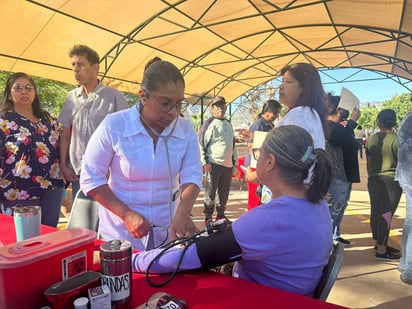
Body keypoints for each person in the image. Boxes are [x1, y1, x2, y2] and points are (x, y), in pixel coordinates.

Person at [132, 125, 333, 297]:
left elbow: (189, 257)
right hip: (296, 298)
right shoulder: (316, 202)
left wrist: (132, 260)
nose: (256, 159)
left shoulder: (269, 219)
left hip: (264, 298)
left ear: (270, 162)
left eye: (258, 154)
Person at [80, 57, 203, 250]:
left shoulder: (185, 129)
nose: (173, 112)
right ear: (143, 96)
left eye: (179, 104)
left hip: (166, 228)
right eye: (165, 103)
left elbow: (192, 175)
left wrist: (183, 212)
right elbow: (91, 178)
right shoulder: (114, 125)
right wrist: (126, 214)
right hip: (120, 231)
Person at [58, 44, 129, 201]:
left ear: (95, 67)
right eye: (73, 65)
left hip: (106, 174)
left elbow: (125, 136)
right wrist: (64, 166)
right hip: (78, 172)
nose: (76, 69)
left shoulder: (114, 97)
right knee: (84, 218)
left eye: (81, 64)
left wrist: (114, 166)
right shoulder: (71, 98)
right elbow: (65, 135)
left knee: (105, 219)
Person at [0, 72, 65, 227]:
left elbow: (61, 145)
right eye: (18, 88)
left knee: (49, 238)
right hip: (19, 191)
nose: (24, 91)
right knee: (24, 243)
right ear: (9, 94)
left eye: (28, 87)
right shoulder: (3, 120)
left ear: (34, 93)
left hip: (52, 187)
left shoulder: (47, 119)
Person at [366, 109, 402, 260]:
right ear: (393, 122)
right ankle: (381, 249)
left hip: (374, 179)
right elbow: (402, 162)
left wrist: (372, 176)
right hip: (391, 181)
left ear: (378, 122)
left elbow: (368, 163)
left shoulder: (371, 139)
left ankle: (378, 243)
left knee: (376, 212)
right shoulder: (398, 139)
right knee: (386, 215)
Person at [325, 94, 361, 246]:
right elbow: (336, 139)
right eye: (342, 110)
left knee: (340, 206)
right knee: (334, 208)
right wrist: (352, 121)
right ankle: (326, 240)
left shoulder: (340, 127)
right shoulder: (327, 126)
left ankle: (334, 234)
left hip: (344, 174)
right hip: (336, 174)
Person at [199, 96, 238, 225]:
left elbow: (233, 146)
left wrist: (235, 163)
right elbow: (201, 144)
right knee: (210, 192)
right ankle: (208, 218)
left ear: (225, 107)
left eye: (222, 106)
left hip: (227, 165)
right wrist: (205, 162)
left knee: (224, 192)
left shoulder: (228, 124)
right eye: (217, 106)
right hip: (214, 164)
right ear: (212, 109)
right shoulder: (209, 124)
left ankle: (220, 216)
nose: (220, 108)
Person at [276, 62, 328, 150]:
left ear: (305, 88)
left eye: (288, 81)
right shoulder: (308, 113)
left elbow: (290, 156)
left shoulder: (299, 114)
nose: (280, 86)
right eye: (282, 81)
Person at [244, 99, 281, 210]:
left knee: (264, 197)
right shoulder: (258, 125)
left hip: (265, 165)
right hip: (256, 166)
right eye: (276, 113)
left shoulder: (271, 125)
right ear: (268, 112)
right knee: (255, 198)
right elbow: (251, 148)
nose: (277, 115)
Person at [396, 111, 412, 284]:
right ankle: (410, 270)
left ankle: (406, 263)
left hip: (407, 176)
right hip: (410, 176)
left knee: (410, 222)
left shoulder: (408, 118)